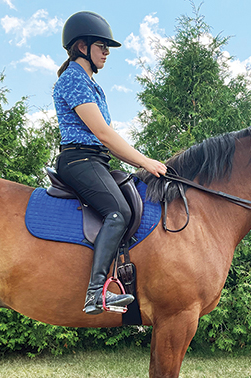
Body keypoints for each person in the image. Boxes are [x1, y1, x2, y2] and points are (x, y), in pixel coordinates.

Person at [53, 11, 168, 315]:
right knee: (118, 213)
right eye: (101, 46)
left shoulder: (91, 83)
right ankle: (95, 295)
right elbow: (103, 134)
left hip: (95, 161)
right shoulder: (73, 80)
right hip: (79, 159)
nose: (106, 52)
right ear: (82, 47)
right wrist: (146, 161)